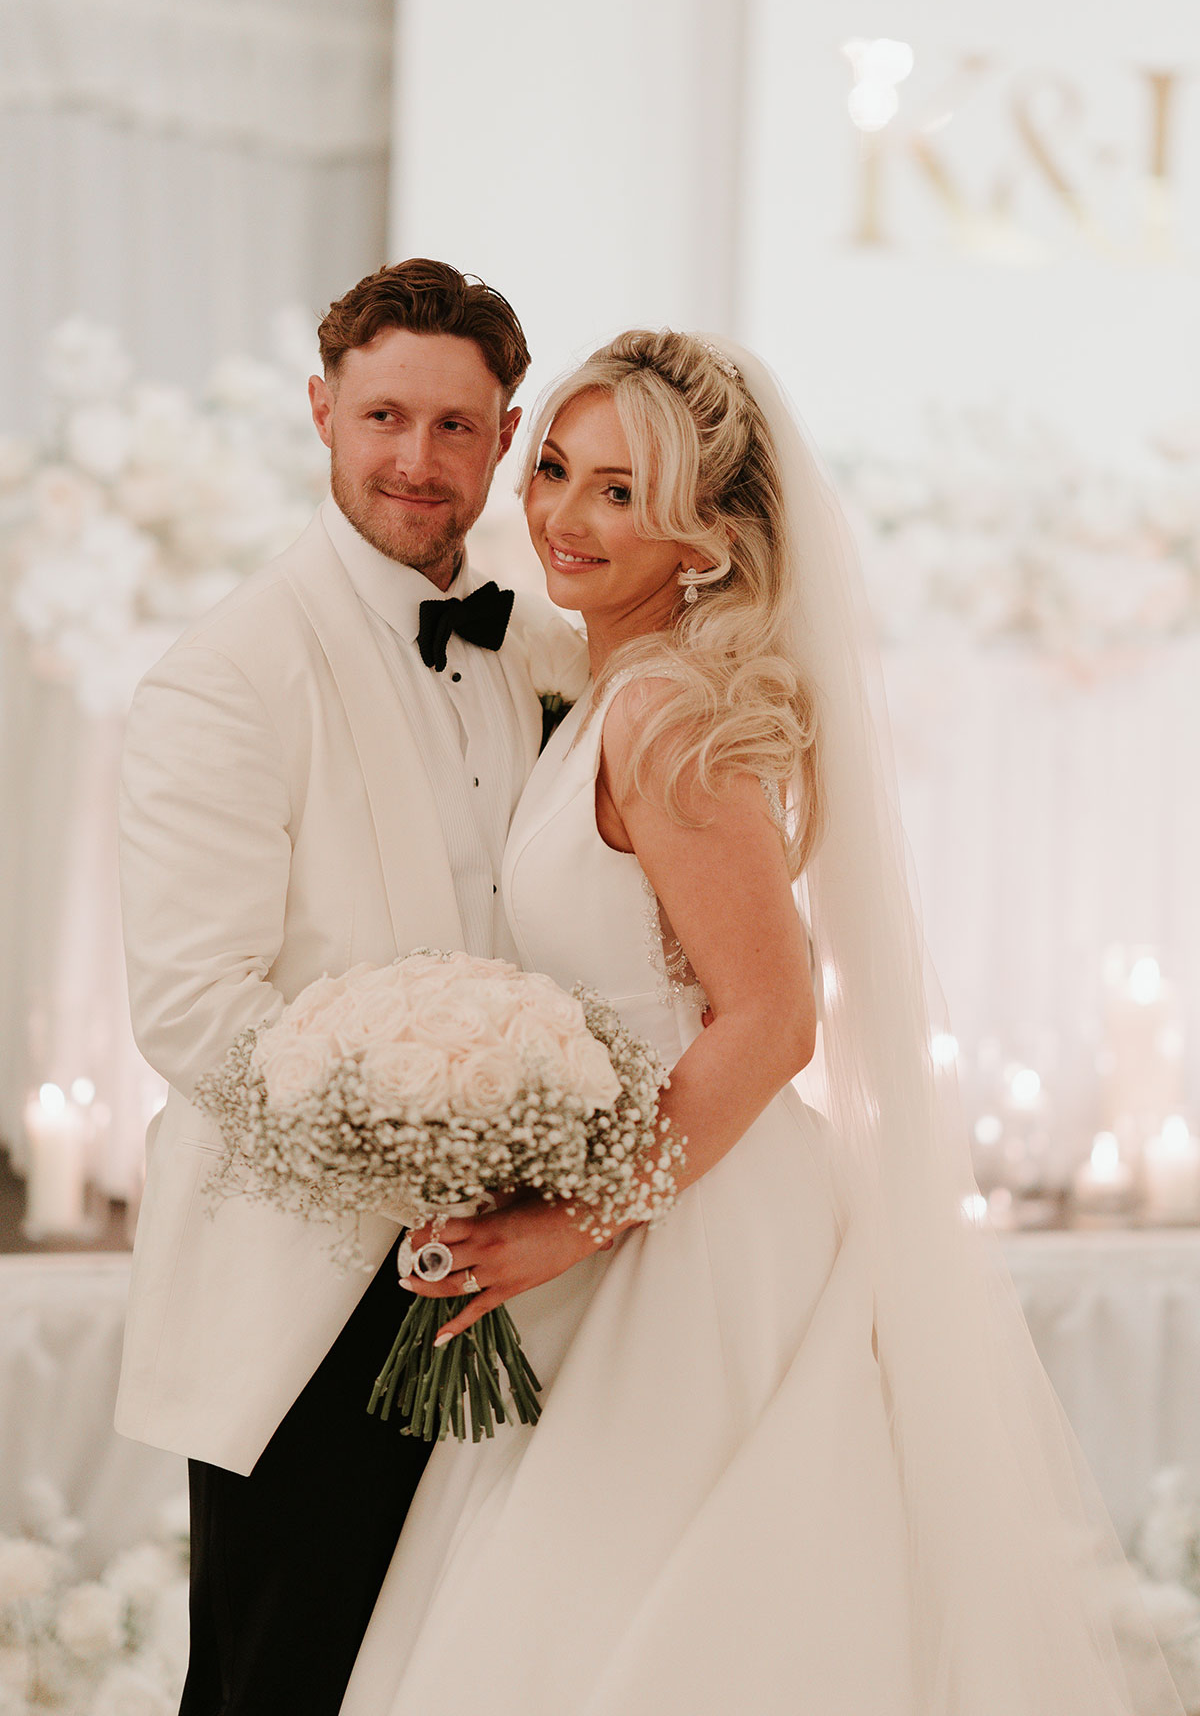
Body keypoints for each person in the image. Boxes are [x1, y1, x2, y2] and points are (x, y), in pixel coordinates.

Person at [341, 330, 1183, 1715]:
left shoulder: (662, 713)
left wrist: (575, 1220)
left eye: (622, 491)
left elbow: (774, 1018)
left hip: (696, 1234)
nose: (562, 513)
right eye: (554, 467)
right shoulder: (604, 694)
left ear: (708, 541)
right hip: (639, 1201)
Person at [114, 258, 587, 1716]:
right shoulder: (228, 674)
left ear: (505, 438)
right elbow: (196, 1008)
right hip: (307, 1295)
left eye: (456, 426)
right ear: (323, 411)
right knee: (281, 1681)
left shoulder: (547, 649)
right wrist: (424, 1161)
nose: (416, 460)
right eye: (385, 416)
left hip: (523, 1280)